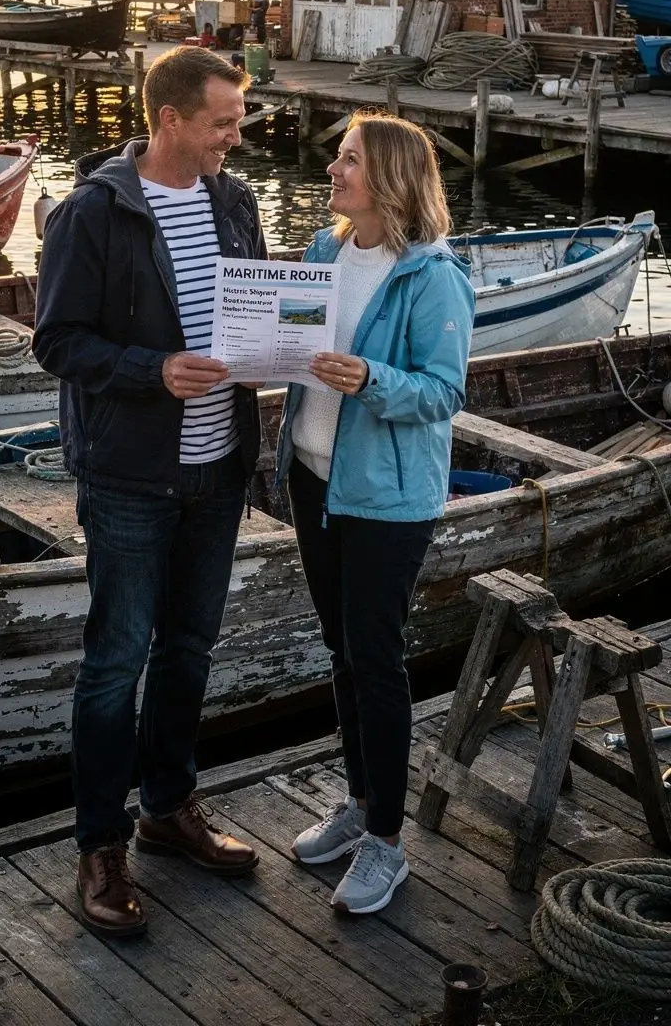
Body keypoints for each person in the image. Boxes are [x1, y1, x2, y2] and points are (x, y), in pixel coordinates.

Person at [32, 46, 266, 939]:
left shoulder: (234, 201)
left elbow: (258, 309)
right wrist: (150, 369)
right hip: (130, 475)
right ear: (170, 119)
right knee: (115, 660)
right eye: (222, 124)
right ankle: (100, 846)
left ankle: (168, 808)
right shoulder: (92, 214)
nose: (235, 139)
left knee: (191, 647)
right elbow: (57, 343)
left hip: (219, 470)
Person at [277, 112, 475, 916]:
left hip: (389, 500)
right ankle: (358, 804)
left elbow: (444, 391)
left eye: (349, 159)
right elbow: (289, 346)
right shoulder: (324, 253)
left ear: (388, 175)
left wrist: (370, 379)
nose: (334, 168)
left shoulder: (433, 276)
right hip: (312, 478)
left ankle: (387, 844)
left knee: (378, 660)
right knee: (341, 650)